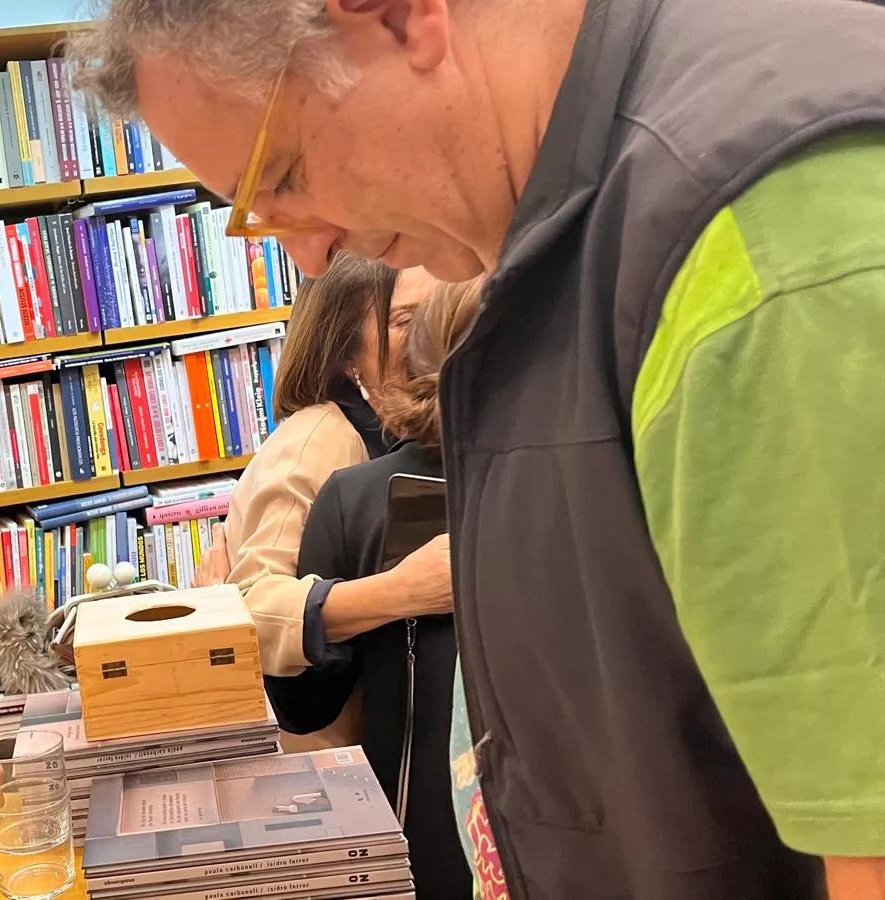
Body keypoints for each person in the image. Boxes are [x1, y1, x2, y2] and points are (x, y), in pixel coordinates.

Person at [68, 1, 885, 898]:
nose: (309, 255)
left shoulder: (760, 220)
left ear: (400, 13)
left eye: (288, 174)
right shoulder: (559, 237)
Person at [274, 278, 482, 900]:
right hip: (445, 832)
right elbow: (305, 702)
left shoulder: (353, 497)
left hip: (424, 836)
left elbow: (302, 704)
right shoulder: (354, 497)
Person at [206, 254, 403, 677]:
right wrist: (404, 591)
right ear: (347, 357)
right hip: (318, 733)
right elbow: (253, 607)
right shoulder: (319, 439)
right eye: (404, 321)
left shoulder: (387, 433)